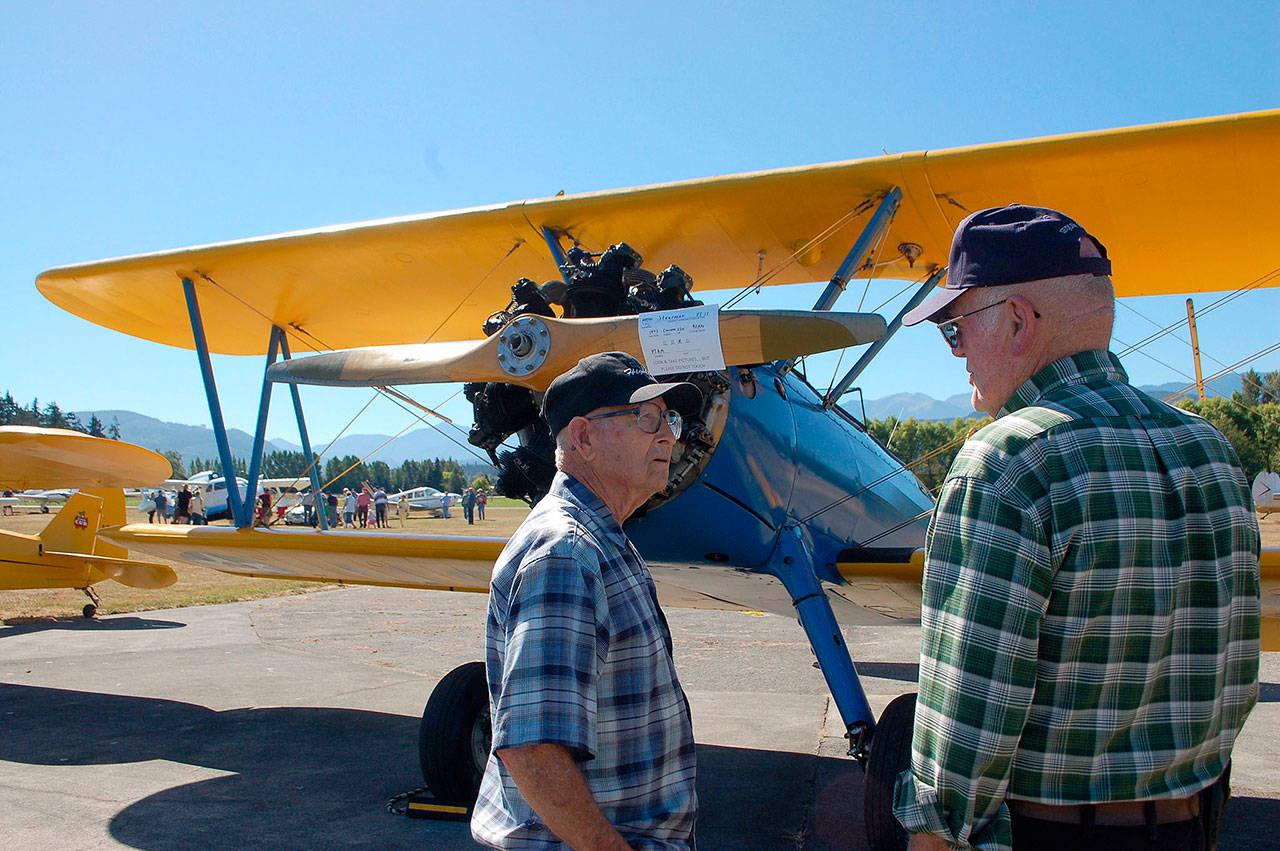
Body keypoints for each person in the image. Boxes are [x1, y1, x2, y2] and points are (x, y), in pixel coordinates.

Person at [893, 205, 1261, 851]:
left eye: (955, 329)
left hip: (1052, 832)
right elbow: (1235, 668)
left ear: (1015, 320)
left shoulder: (1007, 459)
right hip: (1190, 821)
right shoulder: (1211, 447)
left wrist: (936, 831)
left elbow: (972, 705)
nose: (958, 354)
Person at [472, 351, 701, 850]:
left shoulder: (602, 538)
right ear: (583, 437)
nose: (668, 435)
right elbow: (532, 747)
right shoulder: (567, 553)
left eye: (670, 419)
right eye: (647, 418)